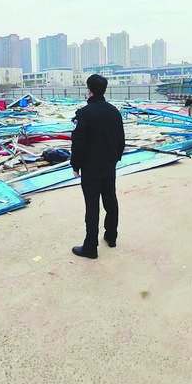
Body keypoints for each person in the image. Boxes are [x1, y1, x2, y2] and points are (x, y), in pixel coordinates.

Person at [70, 74, 126, 259]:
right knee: (110, 200)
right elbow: (121, 140)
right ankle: (111, 236)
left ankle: (90, 247)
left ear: (89, 91)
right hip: (109, 165)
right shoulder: (114, 112)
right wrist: (115, 159)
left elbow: (78, 142)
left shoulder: (84, 113)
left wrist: (75, 165)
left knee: (92, 206)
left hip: (91, 167)